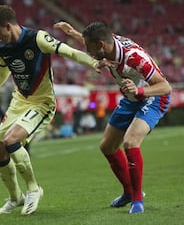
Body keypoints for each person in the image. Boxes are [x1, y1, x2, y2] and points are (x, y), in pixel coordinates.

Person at [0, 5, 111, 216]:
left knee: (11, 140)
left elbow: (69, 52)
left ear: (7, 26)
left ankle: (34, 189)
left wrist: (93, 62)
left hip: (42, 103)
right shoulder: (1, 45)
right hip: (19, 101)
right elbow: (2, 71)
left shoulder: (38, 39)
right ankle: (15, 197)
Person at [55, 21, 172, 213]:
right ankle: (128, 192)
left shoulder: (134, 58)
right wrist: (73, 33)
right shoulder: (106, 46)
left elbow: (166, 87)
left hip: (153, 96)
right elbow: (92, 42)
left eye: (89, 48)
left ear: (100, 45)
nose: (88, 52)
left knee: (131, 142)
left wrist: (140, 90)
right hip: (130, 97)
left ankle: (137, 200)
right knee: (107, 146)